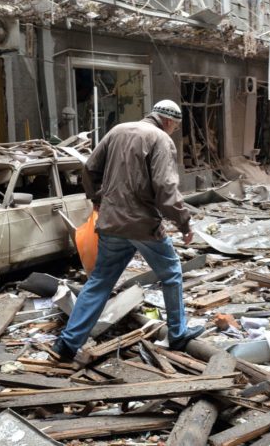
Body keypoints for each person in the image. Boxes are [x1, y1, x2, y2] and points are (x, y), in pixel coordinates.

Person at [52, 99, 204, 362]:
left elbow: (89, 168)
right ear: (169, 121)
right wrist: (184, 222)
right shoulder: (160, 139)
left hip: (112, 222)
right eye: (175, 127)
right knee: (171, 274)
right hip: (143, 224)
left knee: (99, 282)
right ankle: (178, 333)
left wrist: (97, 198)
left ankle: (67, 344)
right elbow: (166, 187)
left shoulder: (117, 130)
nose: (173, 132)